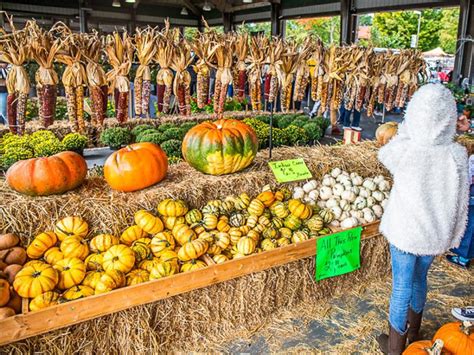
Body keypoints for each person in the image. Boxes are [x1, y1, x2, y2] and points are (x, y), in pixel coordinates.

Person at [376, 84, 470, 354]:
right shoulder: (456, 154)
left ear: (414, 114)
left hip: (405, 230)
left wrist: (408, 126)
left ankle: (395, 347)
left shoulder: (406, 149)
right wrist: (452, 235)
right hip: (433, 233)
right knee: (420, 280)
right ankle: (415, 336)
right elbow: (461, 200)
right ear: (450, 117)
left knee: (401, 286)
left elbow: (386, 152)